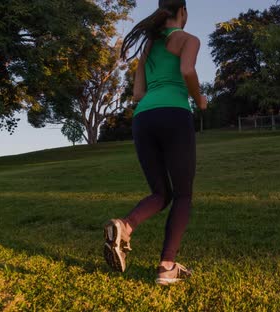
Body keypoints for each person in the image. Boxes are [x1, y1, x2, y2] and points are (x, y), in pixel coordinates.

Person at [103, 0, 207, 286]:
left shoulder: (148, 46)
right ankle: (166, 266)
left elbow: (137, 94)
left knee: (160, 194)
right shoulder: (188, 39)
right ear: (183, 13)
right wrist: (199, 99)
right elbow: (187, 71)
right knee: (183, 195)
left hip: (143, 118)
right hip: (174, 113)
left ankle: (124, 226)